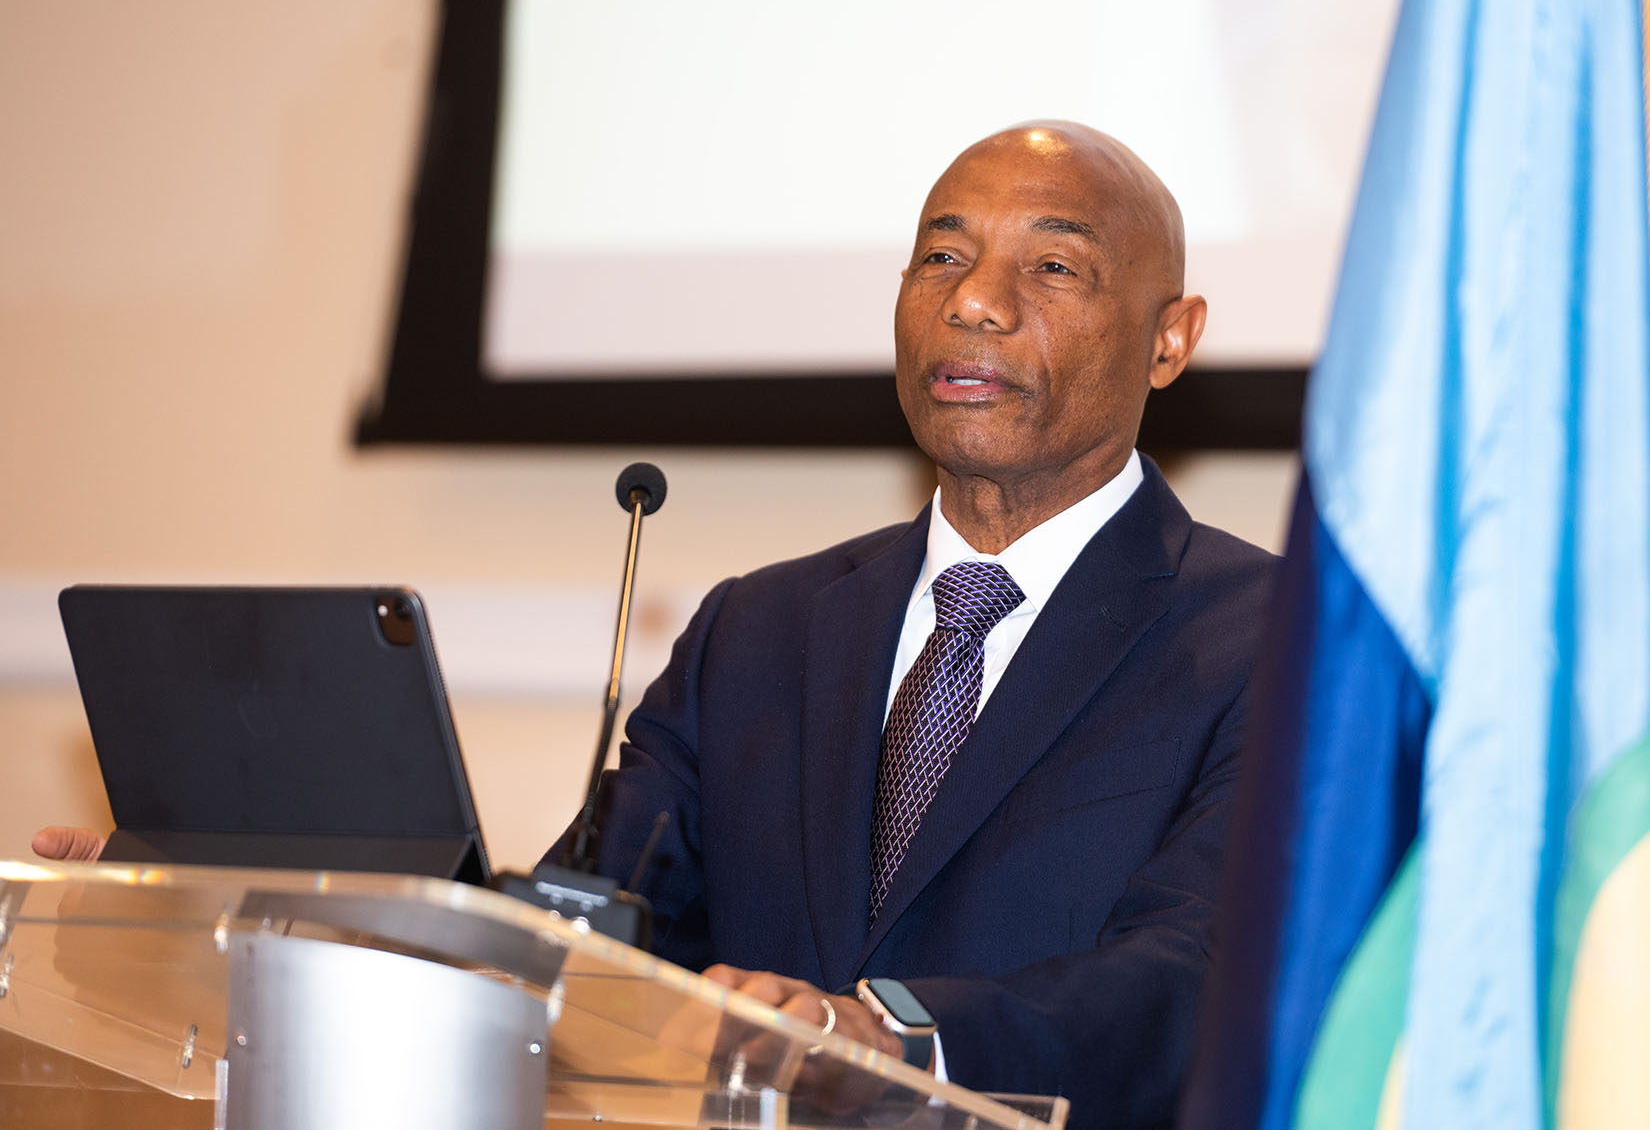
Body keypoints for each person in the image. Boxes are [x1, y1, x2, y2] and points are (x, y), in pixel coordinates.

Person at [40, 122, 1275, 1129]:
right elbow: (585, 932)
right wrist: (232, 903)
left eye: (1052, 267)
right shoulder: (764, 628)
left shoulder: (1267, 639)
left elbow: (1197, 980)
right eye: (941, 257)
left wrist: (884, 1028)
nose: (977, 306)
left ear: (1172, 337)